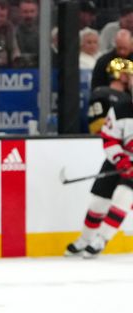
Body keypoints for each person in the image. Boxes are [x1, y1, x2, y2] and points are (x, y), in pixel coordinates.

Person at [67, 58, 133, 258]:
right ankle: (85, 239)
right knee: (98, 202)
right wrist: (121, 159)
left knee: (123, 197)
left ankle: (101, 239)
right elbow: (109, 138)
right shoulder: (121, 108)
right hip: (117, 161)